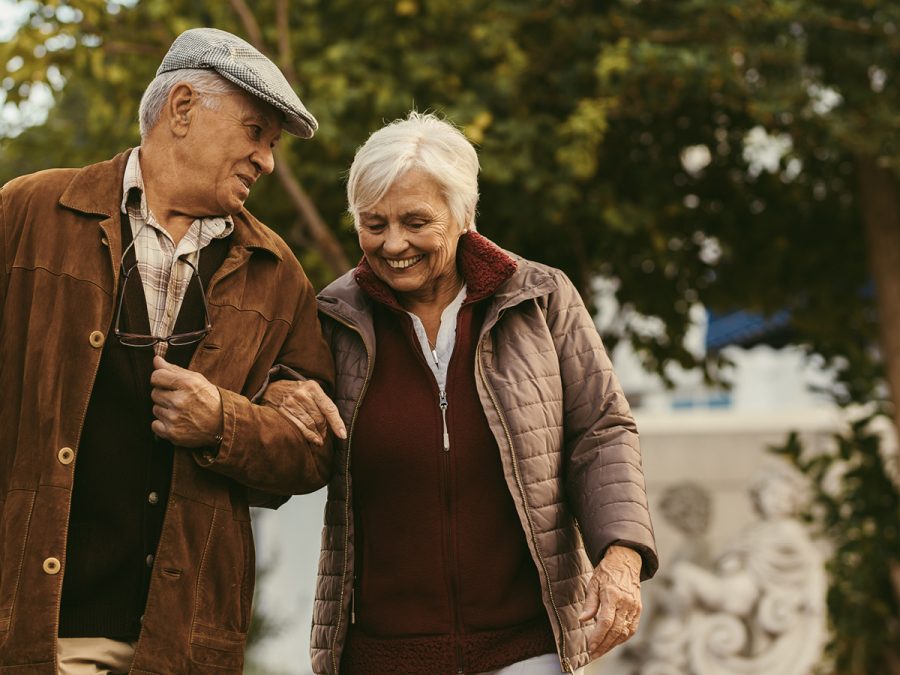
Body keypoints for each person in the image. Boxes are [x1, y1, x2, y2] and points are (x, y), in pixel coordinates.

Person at [0, 27, 343, 674]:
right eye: (255, 132)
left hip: (183, 649)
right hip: (35, 633)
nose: (267, 160)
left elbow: (314, 449)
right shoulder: (26, 217)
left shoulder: (278, 275)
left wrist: (225, 421)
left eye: (270, 144)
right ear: (182, 108)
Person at [266, 112, 659, 674]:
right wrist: (277, 397)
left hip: (526, 648)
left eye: (415, 221)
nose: (393, 243)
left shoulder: (541, 299)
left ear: (462, 216)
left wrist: (620, 557)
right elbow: (291, 434)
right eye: (373, 224)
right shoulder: (333, 319)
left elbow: (601, 430)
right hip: (383, 653)